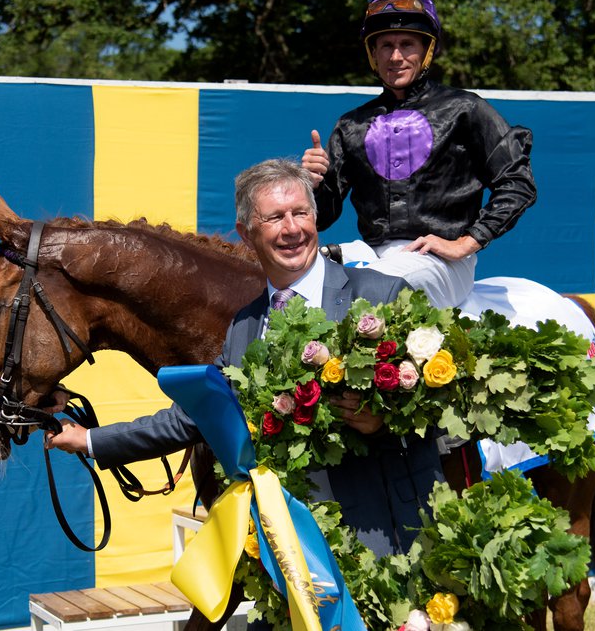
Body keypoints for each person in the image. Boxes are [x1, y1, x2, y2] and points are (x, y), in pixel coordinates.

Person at [46, 159, 445, 559]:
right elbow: (193, 417)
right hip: (284, 551)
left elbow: (440, 413)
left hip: (381, 544)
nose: (292, 229)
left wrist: (381, 423)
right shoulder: (245, 326)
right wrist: (90, 439)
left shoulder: (381, 295)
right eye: (275, 218)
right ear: (247, 233)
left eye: (301, 213)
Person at [302, 0, 537, 308]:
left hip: (441, 261)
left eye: (407, 44)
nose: (395, 56)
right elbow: (323, 216)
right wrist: (314, 184)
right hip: (371, 254)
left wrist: (467, 242)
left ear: (428, 50)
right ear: (373, 53)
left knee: (368, 286)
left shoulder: (466, 109)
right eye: (385, 45)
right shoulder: (351, 124)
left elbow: (517, 183)